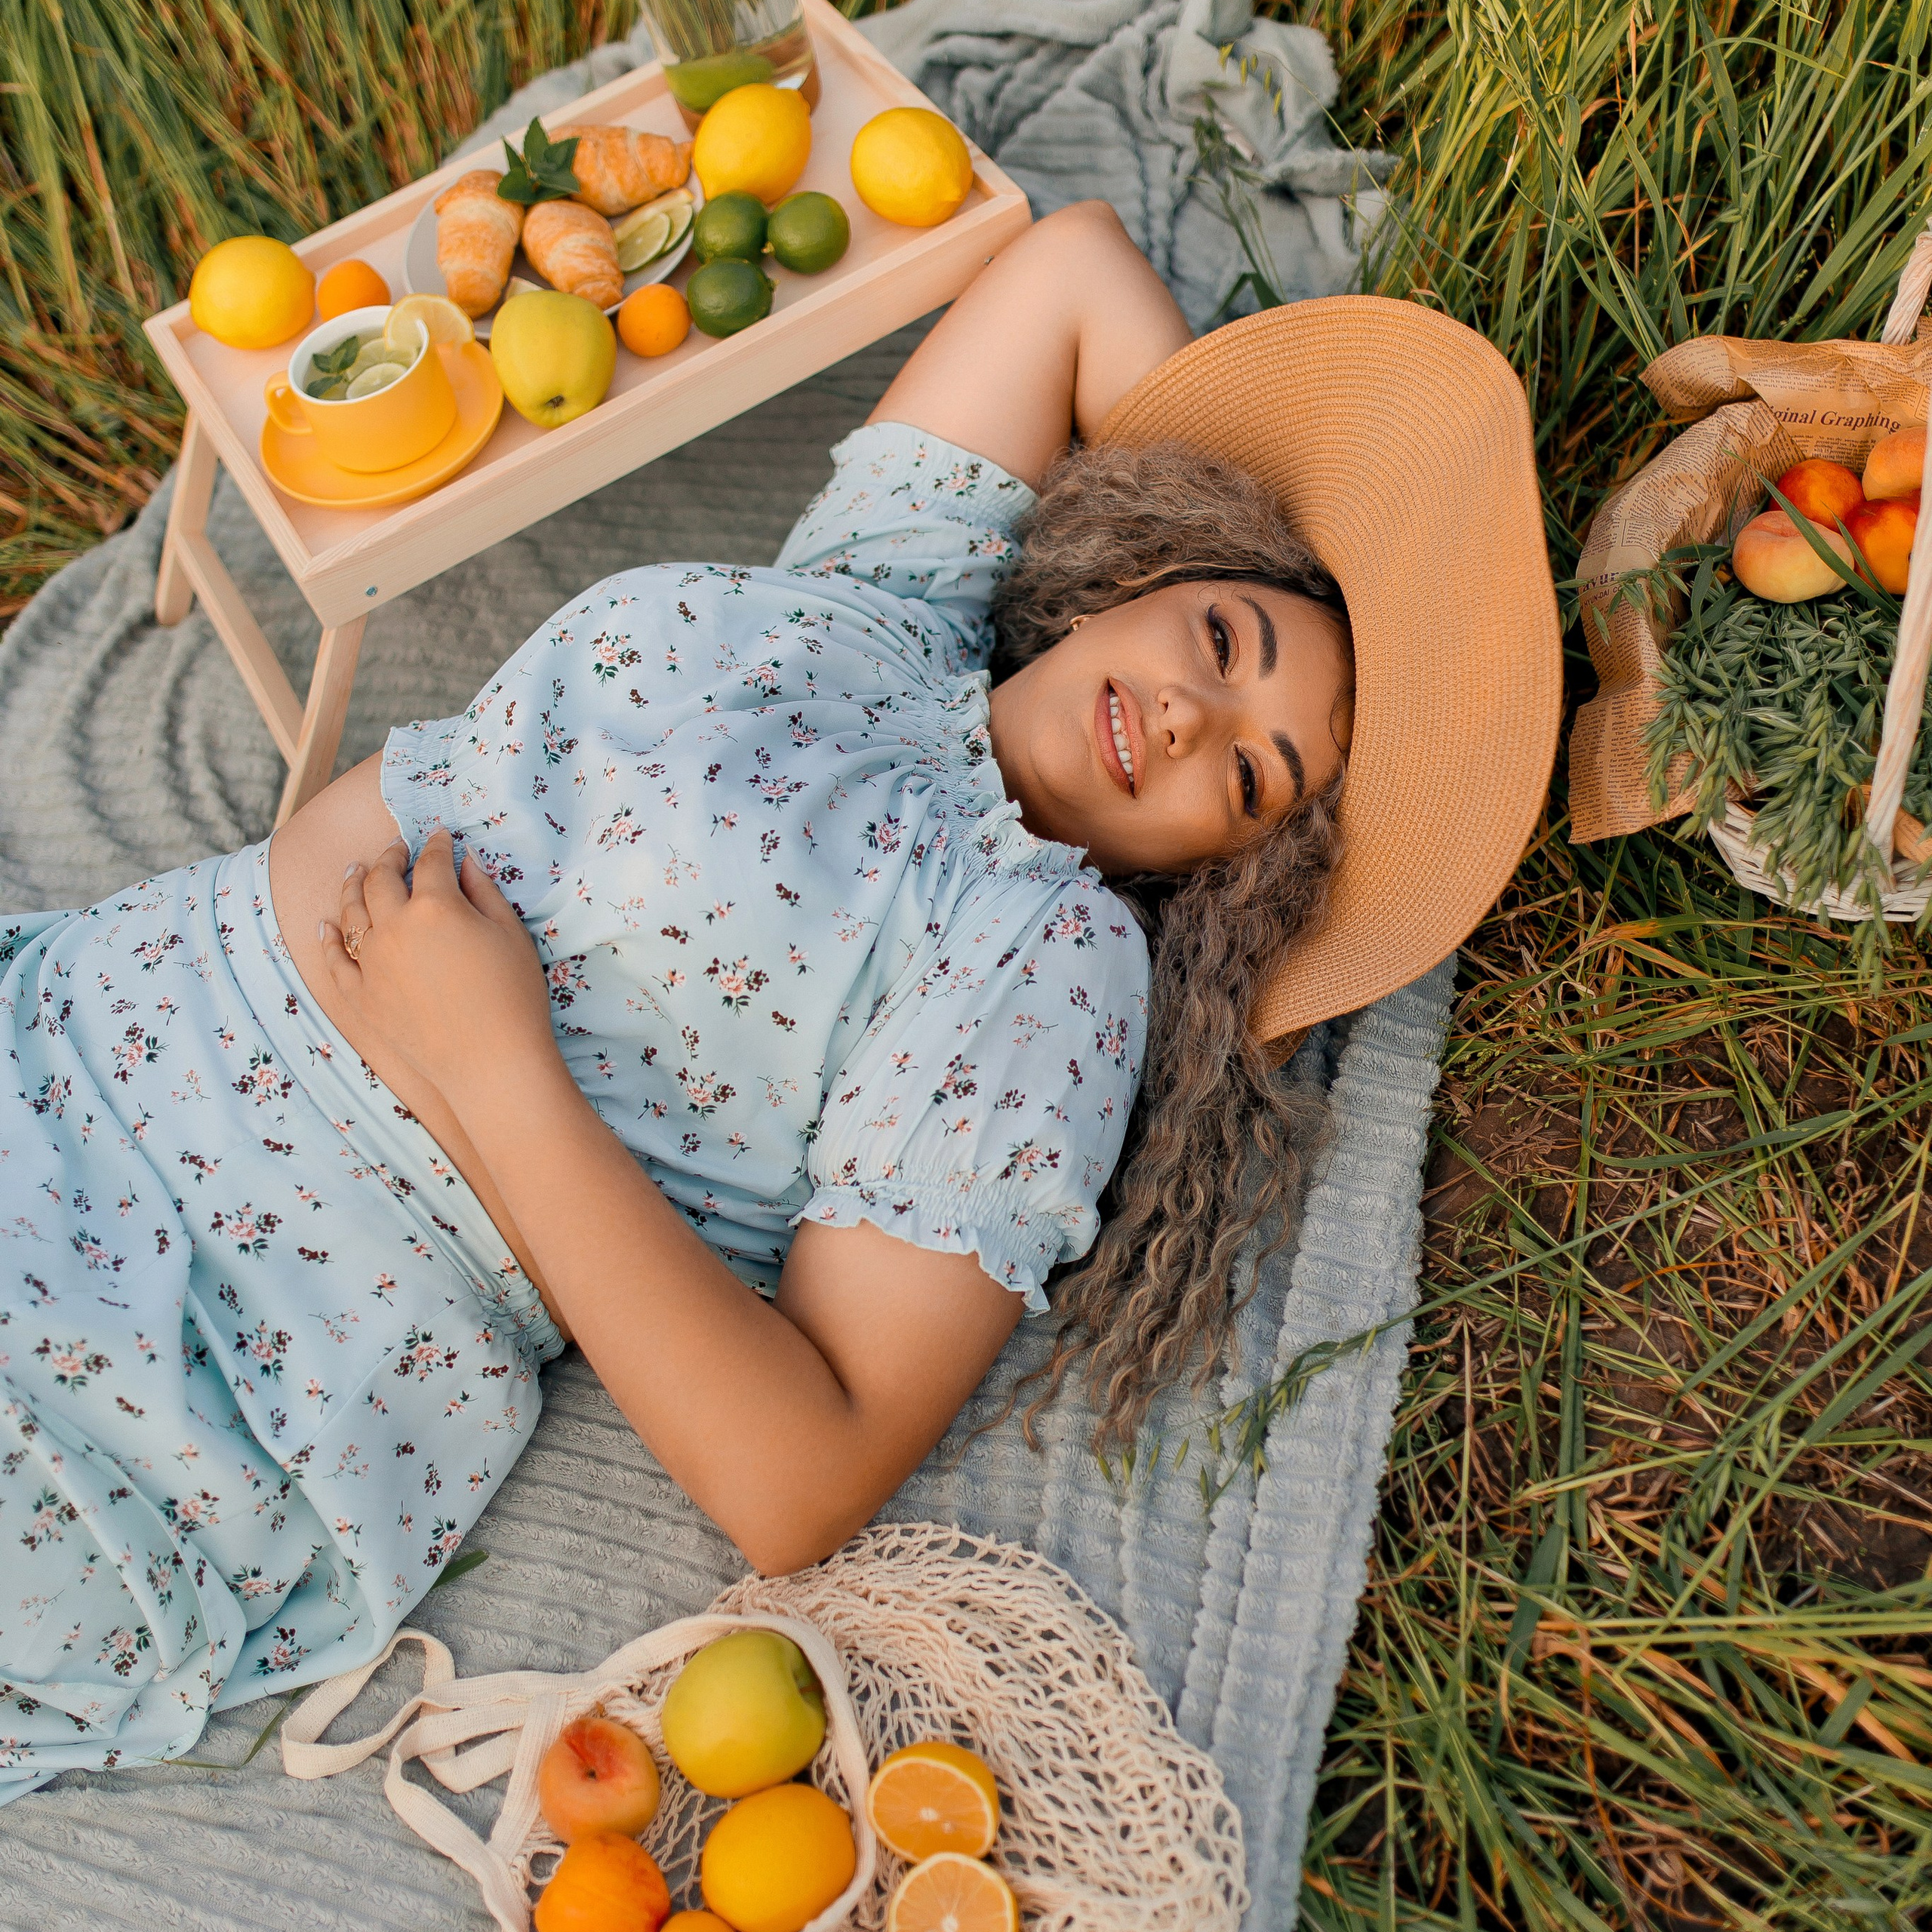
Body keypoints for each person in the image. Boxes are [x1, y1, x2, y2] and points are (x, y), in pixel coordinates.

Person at [0, 202, 1560, 1798]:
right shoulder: (886, 601)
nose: (1180, 716)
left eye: (1246, 776)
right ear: (1138, 575)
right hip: (75, 1026)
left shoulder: (1044, 961)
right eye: (1219, 638)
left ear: (1228, 873)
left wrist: (492, 1057)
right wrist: (1304, 535)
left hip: (225, 1311)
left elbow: (800, 1477)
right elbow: (1070, 272)